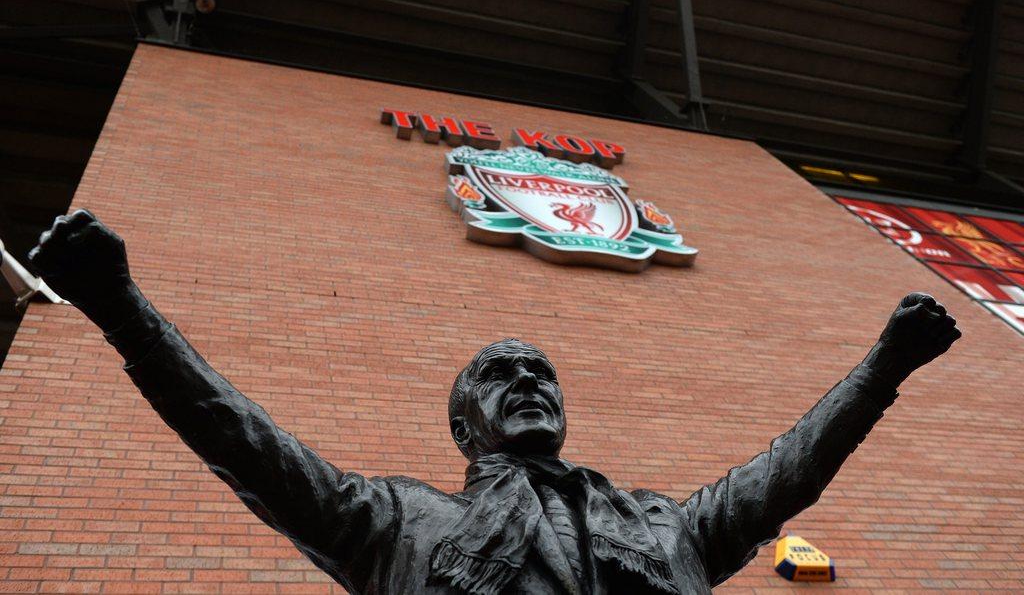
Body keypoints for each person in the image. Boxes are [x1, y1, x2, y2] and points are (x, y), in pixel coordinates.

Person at [29, 209, 960, 594]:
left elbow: (784, 475)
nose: (529, 382)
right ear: (461, 424)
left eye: (542, 371)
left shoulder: (665, 526)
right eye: (500, 373)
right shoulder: (396, 520)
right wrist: (123, 311)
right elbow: (245, 441)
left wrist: (883, 368)